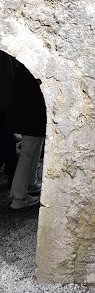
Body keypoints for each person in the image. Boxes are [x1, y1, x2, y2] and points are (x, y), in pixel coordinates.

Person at [7, 59, 46, 210]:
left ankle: (29, 183)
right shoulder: (30, 69)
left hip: (27, 114)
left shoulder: (22, 67)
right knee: (28, 154)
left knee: (31, 151)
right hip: (32, 115)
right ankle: (19, 197)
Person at [0, 51, 18, 189]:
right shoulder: (5, 55)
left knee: (7, 139)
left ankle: (11, 174)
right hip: (4, 105)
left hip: (3, 106)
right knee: (7, 139)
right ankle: (11, 175)